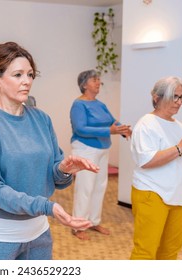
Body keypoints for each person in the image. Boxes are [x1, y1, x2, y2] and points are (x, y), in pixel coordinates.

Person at [0, 41, 99, 260]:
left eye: (30, 74)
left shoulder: (41, 119)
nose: (26, 81)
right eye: (17, 75)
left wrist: (64, 169)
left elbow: (56, 178)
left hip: (38, 234)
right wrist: (47, 207)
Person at [130, 76, 182, 260]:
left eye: (181, 97)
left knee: (170, 252)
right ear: (156, 97)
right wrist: (181, 146)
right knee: (145, 251)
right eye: (173, 96)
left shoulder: (179, 126)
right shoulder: (146, 124)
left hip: (178, 196)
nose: (178, 102)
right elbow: (146, 160)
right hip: (152, 194)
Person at [70, 69, 131, 240]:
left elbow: (112, 121)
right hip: (85, 149)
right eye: (94, 79)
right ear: (84, 84)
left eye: (98, 80)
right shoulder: (78, 105)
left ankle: (93, 221)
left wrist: (123, 129)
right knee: (85, 187)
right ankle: (78, 225)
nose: (98, 82)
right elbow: (80, 129)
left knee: (99, 186)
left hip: (103, 149)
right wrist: (109, 130)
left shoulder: (100, 104)